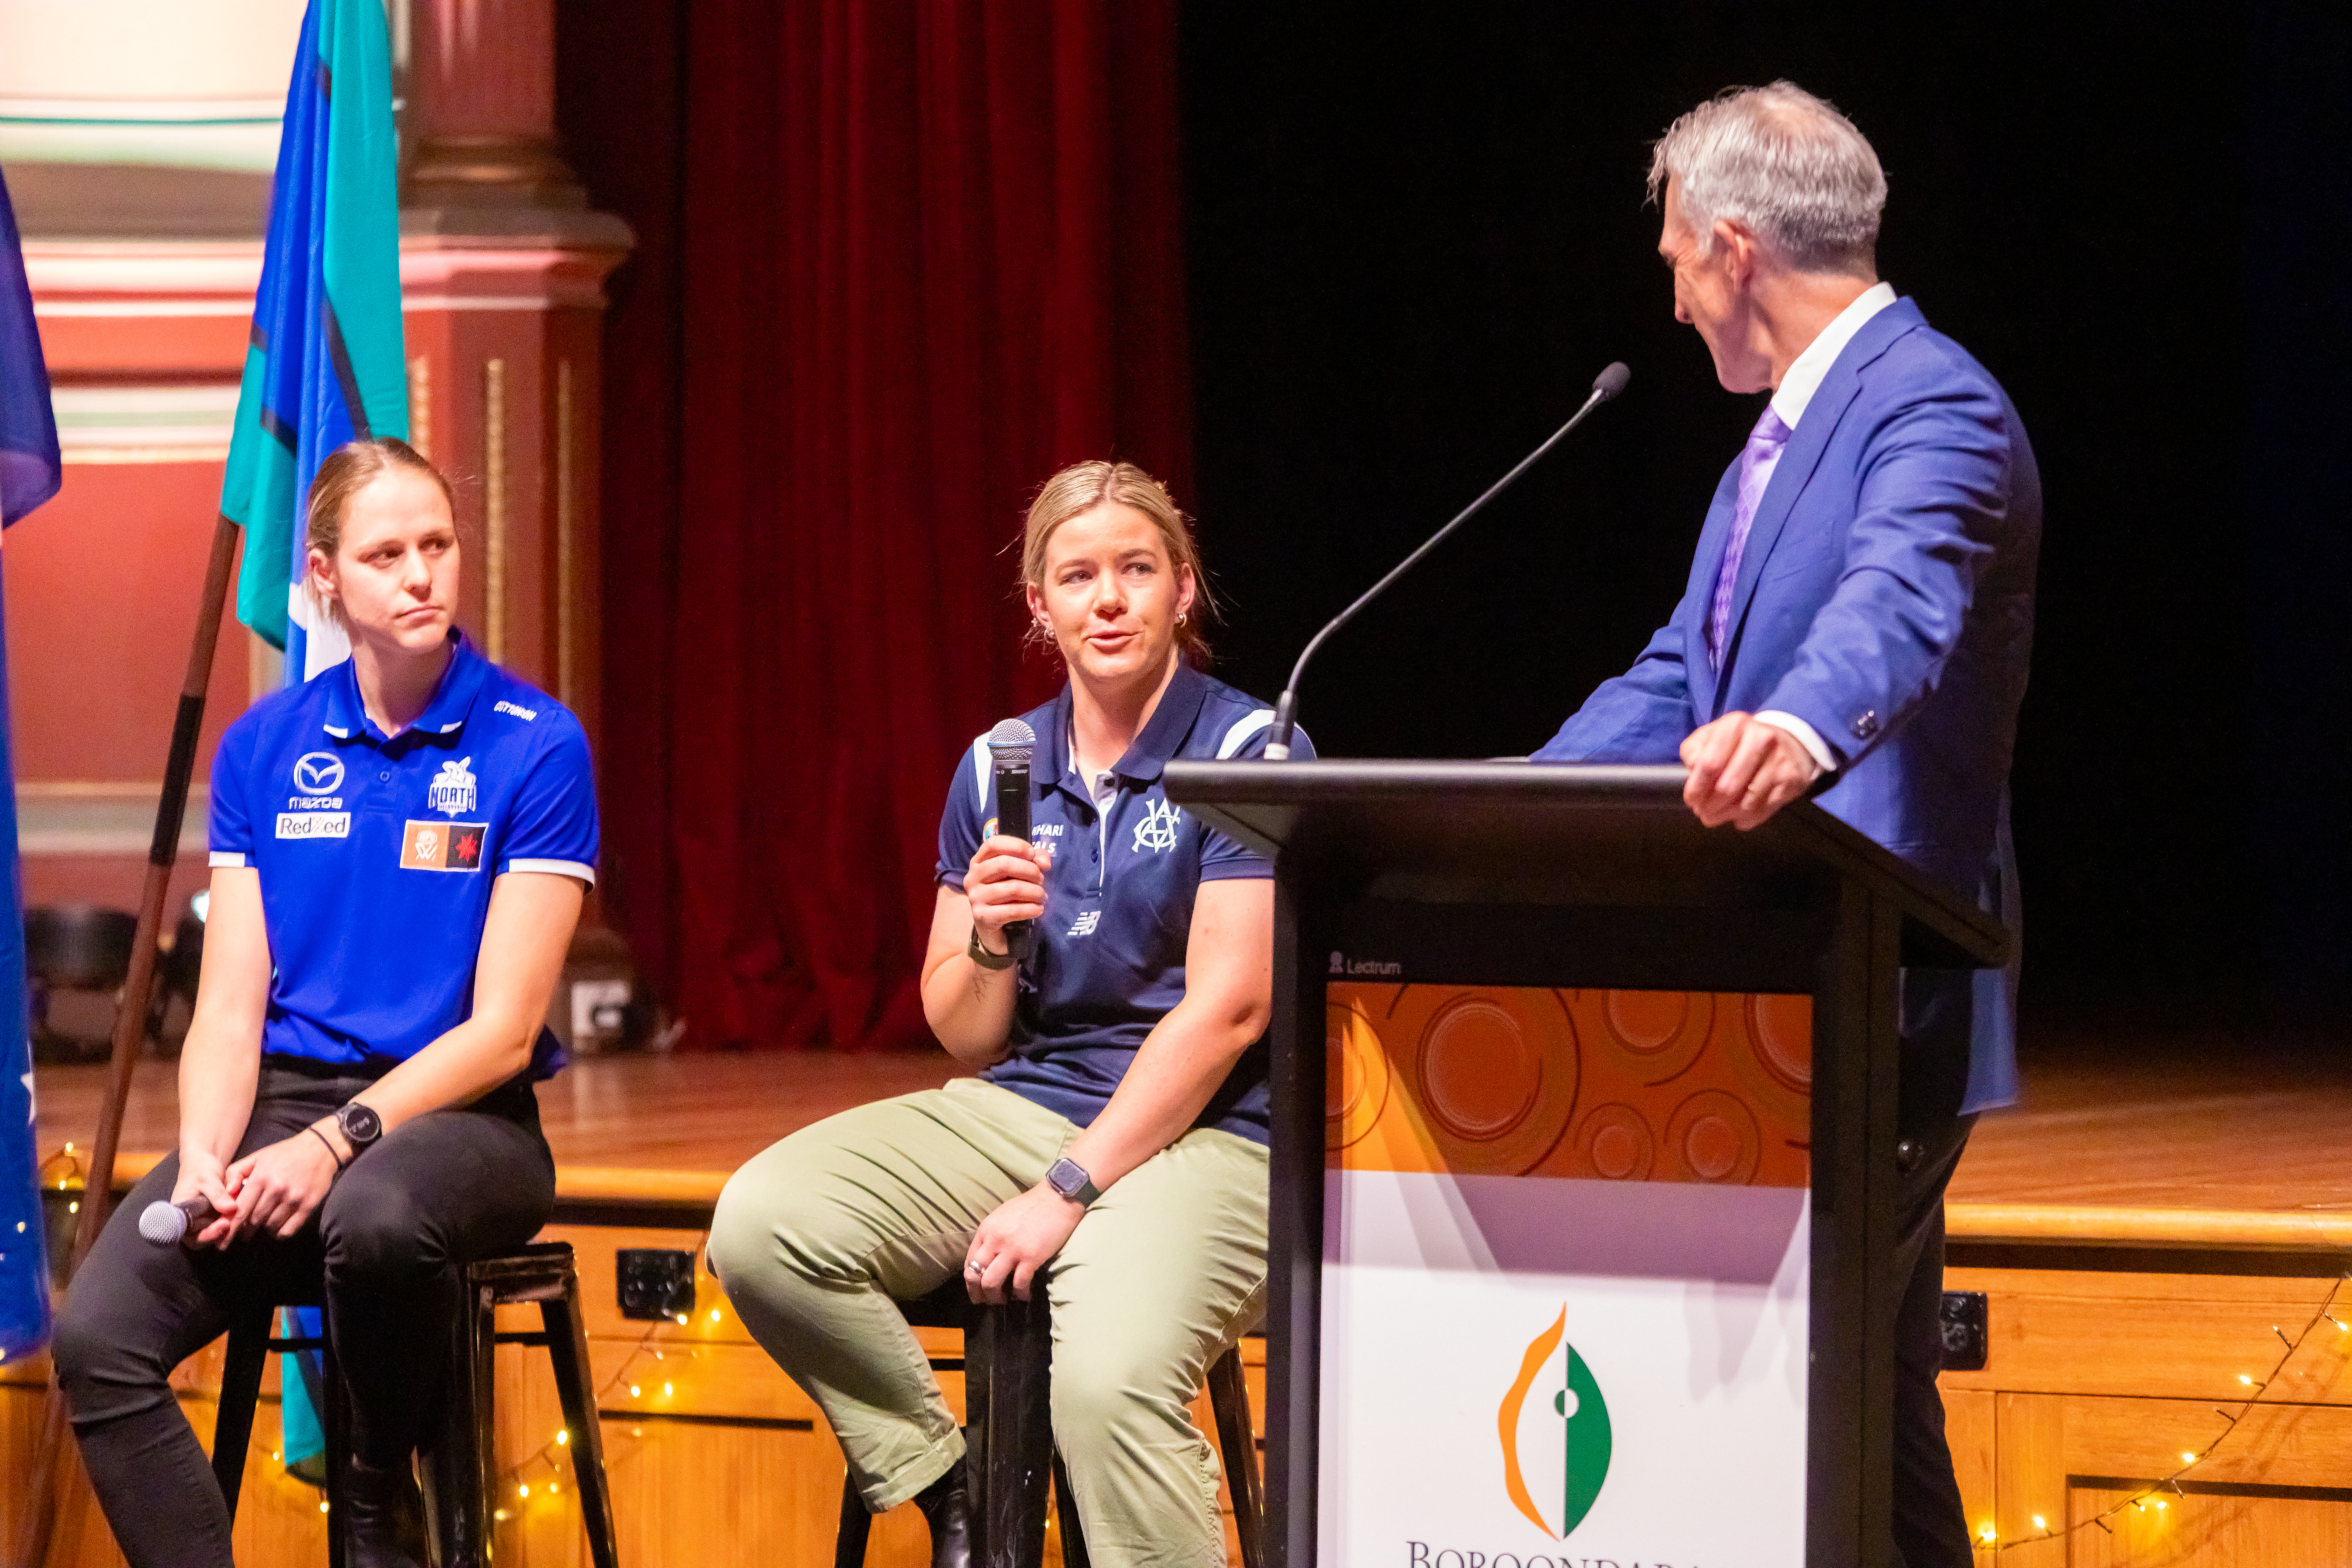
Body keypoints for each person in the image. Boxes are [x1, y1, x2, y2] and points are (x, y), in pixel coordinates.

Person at [1533, 83, 2038, 1568]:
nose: (1675, 301)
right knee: (1877, 1411)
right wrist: (1511, 797)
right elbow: (1675, 679)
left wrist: (1803, 729)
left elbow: (1901, 604)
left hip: (1878, 987)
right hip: (1771, 988)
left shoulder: (1932, 403)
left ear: (1735, 247)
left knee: (1819, 1406)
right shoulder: (1773, 450)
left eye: (1679, 259)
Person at [710, 459, 1306, 1568]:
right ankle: (955, 1497)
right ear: (1042, 607)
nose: (1109, 599)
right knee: (760, 1227)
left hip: (1214, 1132)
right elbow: (966, 1030)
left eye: (1137, 569)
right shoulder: (1000, 764)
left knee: (1105, 1380)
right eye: (1078, 576)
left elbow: (1232, 1012)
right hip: (1033, 1104)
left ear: (1184, 587)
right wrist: (986, 936)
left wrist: (1067, 1190)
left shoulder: (1248, 748)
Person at [51, 438, 599, 1568]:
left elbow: (502, 1032)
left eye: (437, 546)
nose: (421, 576)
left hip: (467, 1119)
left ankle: (371, 1499)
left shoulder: (535, 745)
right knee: (99, 1335)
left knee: (375, 1219)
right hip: (287, 1102)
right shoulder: (264, 750)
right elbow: (228, 1004)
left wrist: (337, 1143)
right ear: (322, 582)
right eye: (387, 553)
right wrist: (206, 1152)